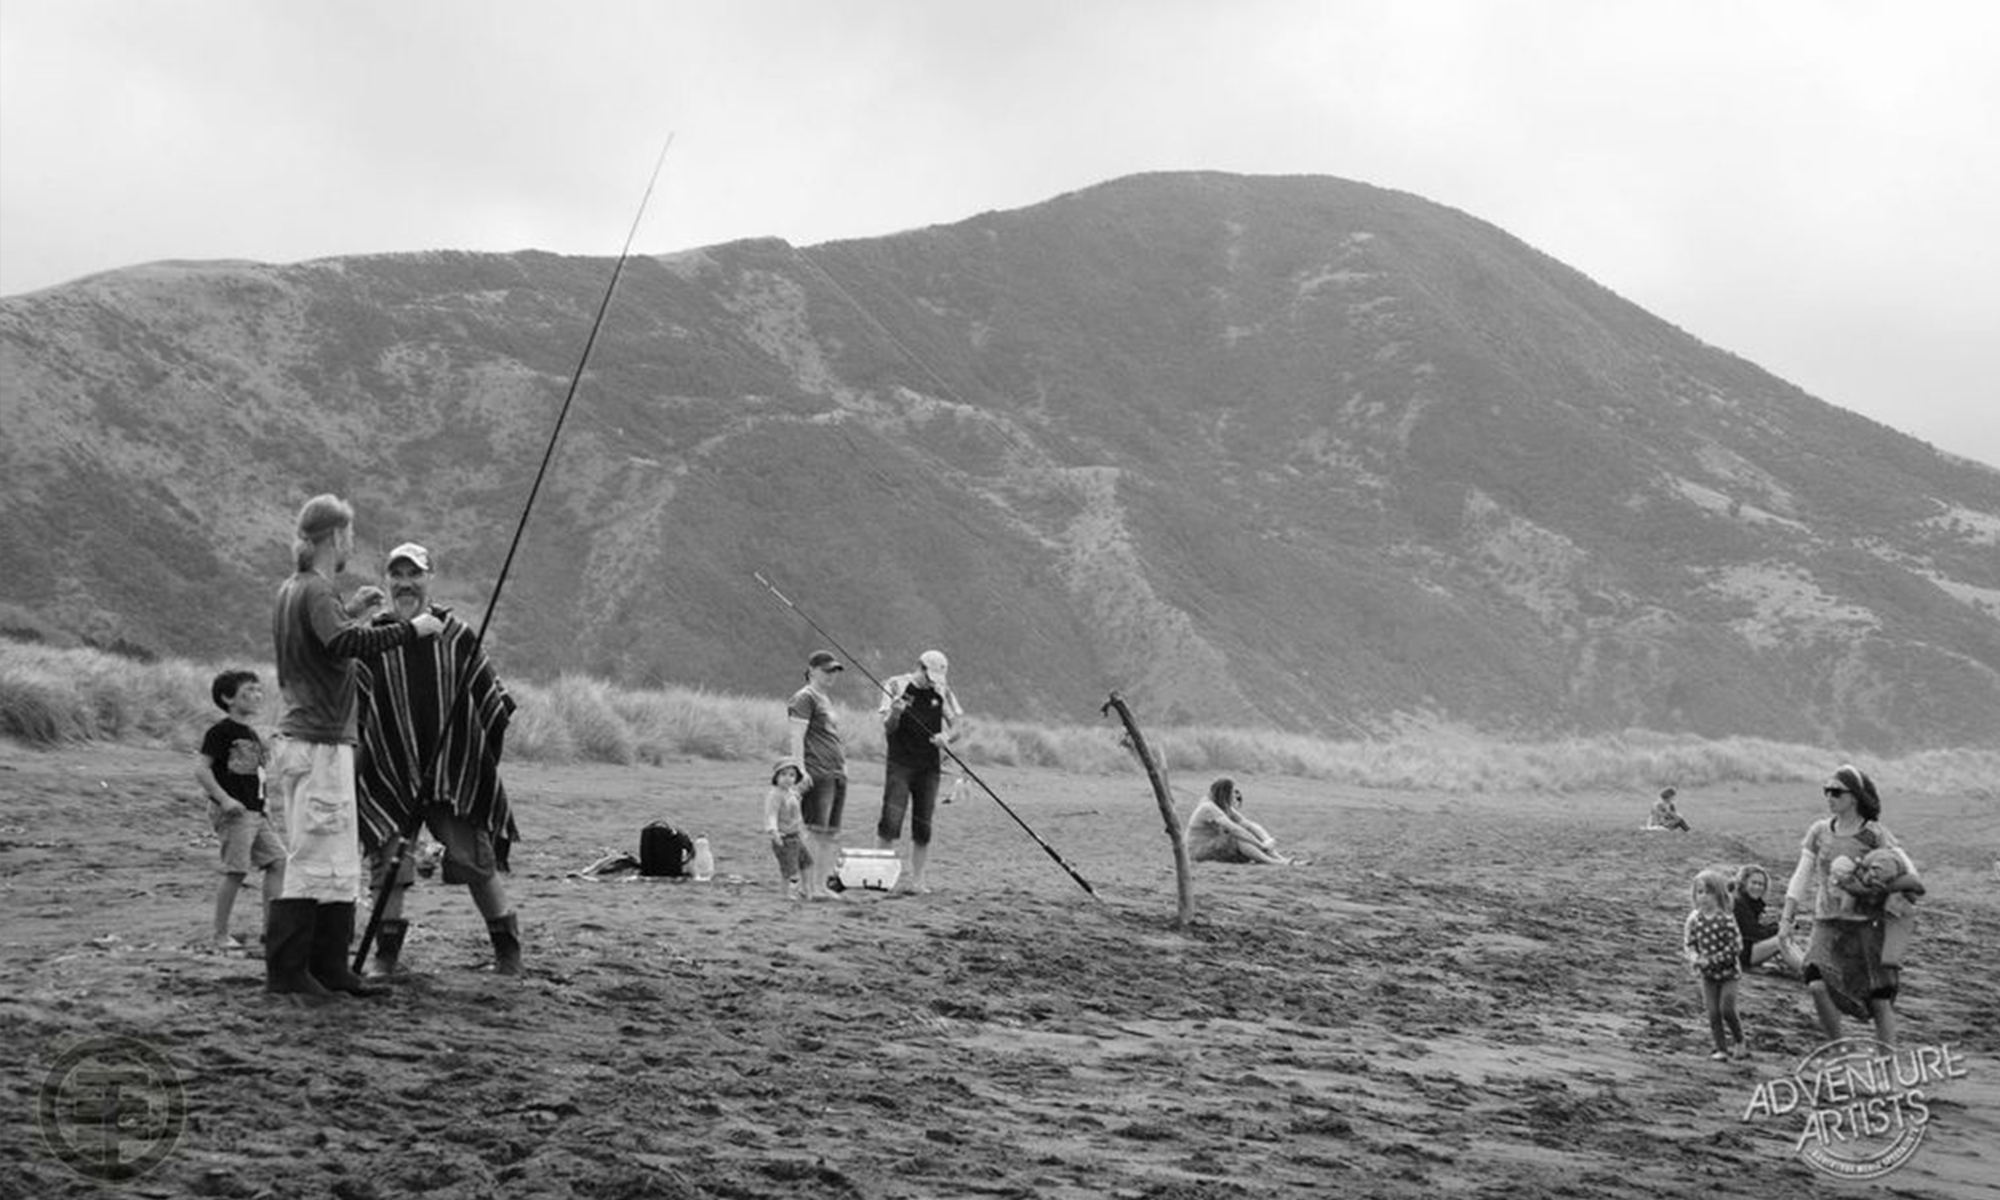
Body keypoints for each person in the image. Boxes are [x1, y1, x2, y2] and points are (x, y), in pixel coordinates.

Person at [268, 495, 442, 1004]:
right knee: (313, 856)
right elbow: (342, 645)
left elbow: (326, 637)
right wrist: (410, 631)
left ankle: (328, 966)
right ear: (335, 538)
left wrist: (353, 612)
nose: (350, 546)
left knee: (336, 858)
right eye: (348, 536)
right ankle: (291, 970)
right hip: (318, 740)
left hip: (314, 738)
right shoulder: (316, 588)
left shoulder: (296, 589)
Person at [355, 542, 523, 975]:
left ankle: (508, 954)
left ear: (430, 578)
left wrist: (477, 767)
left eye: (414, 574)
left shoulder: (457, 634)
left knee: (476, 863)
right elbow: (355, 710)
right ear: (386, 580)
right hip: (390, 774)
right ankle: (385, 959)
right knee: (387, 870)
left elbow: (493, 706)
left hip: (453, 774)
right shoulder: (372, 638)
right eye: (397, 575)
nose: (405, 583)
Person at [1777, 764, 1924, 1045]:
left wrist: (1877, 887)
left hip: (1867, 927)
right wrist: (1786, 918)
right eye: (1826, 791)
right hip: (1827, 922)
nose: (1829, 797)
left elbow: (1910, 872)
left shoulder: (1874, 834)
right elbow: (1801, 875)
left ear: (1854, 796)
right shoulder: (1819, 831)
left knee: (1879, 1000)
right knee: (1816, 983)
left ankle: (1887, 1066)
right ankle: (1838, 1052)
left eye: (1836, 792)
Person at [194, 669, 283, 951]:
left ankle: (272, 931)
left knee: (278, 862)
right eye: (248, 691)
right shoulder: (220, 732)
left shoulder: (252, 734)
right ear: (227, 698)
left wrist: (264, 803)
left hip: (256, 810)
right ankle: (220, 934)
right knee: (236, 870)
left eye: (258, 690)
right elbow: (202, 769)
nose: (256, 696)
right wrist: (224, 799)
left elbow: (258, 774)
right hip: (234, 812)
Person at [874, 649, 963, 895]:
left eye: (936, 678)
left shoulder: (943, 691)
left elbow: (958, 726)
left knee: (923, 826)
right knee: (890, 821)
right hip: (900, 763)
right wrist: (896, 712)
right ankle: (881, 878)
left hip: (929, 767)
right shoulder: (894, 685)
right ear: (919, 667)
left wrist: (946, 737)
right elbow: (888, 727)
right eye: (929, 676)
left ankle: (918, 882)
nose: (932, 682)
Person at [787, 650, 847, 900]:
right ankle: (807, 885)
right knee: (813, 830)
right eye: (826, 670)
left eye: (834, 671)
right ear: (812, 671)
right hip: (816, 771)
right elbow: (796, 736)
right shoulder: (805, 698)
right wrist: (800, 770)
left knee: (830, 833)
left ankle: (821, 885)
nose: (831, 675)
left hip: (836, 773)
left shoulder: (825, 698)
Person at [1683, 868, 1746, 1060]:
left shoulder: (1726, 919)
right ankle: (1721, 1048)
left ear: (1718, 895)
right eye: (1700, 892)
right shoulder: (1694, 920)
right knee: (1713, 1012)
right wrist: (1695, 958)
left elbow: (1736, 946)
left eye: (1709, 892)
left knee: (1727, 1009)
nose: (1703, 897)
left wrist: (1713, 960)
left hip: (1729, 973)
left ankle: (1739, 1040)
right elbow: (1689, 943)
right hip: (1707, 975)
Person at [1185, 777, 1292, 865]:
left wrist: (1267, 840)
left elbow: (1248, 824)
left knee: (1245, 830)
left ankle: (1280, 859)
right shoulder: (1208, 807)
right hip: (1198, 851)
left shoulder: (1223, 807)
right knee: (1237, 835)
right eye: (1233, 792)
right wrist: (1260, 845)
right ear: (1225, 794)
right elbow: (1234, 829)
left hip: (1213, 846)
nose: (1236, 796)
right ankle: (1273, 862)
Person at [764, 756, 810, 901]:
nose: (788, 778)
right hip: (784, 838)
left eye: (791, 775)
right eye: (783, 774)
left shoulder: (791, 792)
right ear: (776, 777)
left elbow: (796, 809)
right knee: (788, 869)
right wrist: (774, 831)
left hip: (795, 836)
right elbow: (771, 814)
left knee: (806, 863)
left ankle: (805, 888)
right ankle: (785, 893)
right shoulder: (775, 795)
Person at [1729, 864, 1790, 972]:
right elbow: (1753, 934)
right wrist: (1779, 928)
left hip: (1743, 949)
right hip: (1739, 954)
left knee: (1784, 936)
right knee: (1782, 940)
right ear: (1744, 883)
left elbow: (1754, 929)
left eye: (1761, 884)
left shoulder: (1749, 902)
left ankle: (1805, 964)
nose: (1757, 887)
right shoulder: (1739, 903)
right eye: (1754, 883)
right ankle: (1805, 968)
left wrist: (1778, 926)